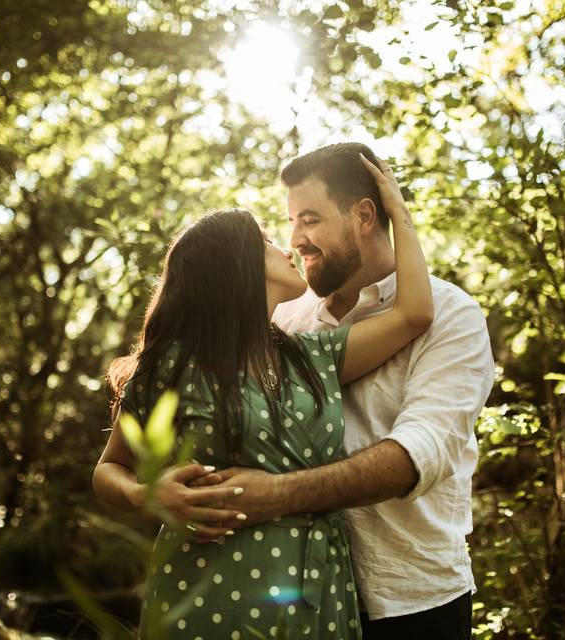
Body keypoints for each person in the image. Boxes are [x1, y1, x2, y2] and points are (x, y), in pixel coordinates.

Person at [92, 152, 433, 639]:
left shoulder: (311, 357)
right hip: (209, 594)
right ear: (237, 267)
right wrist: (148, 495)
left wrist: (397, 214)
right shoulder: (171, 366)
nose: (289, 246)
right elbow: (109, 469)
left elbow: (414, 315)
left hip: (321, 589)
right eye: (269, 240)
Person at [209, 142, 496, 640]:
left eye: (310, 219)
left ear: (364, 215)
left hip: (413, 603)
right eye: (291, 222)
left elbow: (417, 456)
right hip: (296, 596)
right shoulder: (284, 321)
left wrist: (274, 496)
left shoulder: (453, 317)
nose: (295, 239)